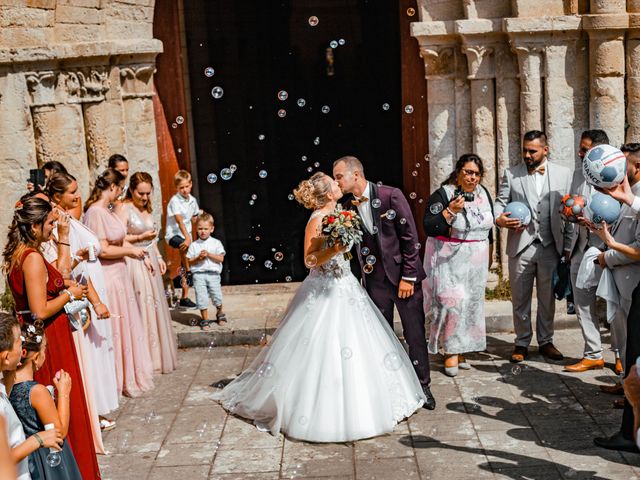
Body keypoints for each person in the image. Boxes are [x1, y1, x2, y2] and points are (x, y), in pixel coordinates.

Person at [214, 173, 426, 442]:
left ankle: (372, 402)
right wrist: (334, 247)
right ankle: (318, 411)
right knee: (323, 348)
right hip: (324, 289)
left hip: (347, 287)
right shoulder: (316, 220)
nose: (340, 184)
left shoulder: (341, 213)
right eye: (334, 183)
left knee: (360, 345)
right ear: (328, 194)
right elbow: (309, 259)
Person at [3, 197, 100, 479]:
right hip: (49, 336)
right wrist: (71, 294)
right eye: (49, 224)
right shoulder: (31, 259)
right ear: (34, 226)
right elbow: (39, 310)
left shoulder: (21, 253)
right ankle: (76, 468)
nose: (53, 228)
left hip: (42, 333)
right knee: (62, 401)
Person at [333, 156, 435, 409]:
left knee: (414, 334)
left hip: (403, 279)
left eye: (339, 176)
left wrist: (408, 277)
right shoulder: (346, 207)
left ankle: (423, 386)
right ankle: (391, 386)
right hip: (374, 283)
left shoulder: (391, 196)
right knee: (382, 336)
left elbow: (410, 239)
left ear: (355, 174)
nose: (337, 181)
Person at [45, 172, 119, 433]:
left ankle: (94, 408)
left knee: (97, 352)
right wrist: (94, 300)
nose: (77, 195)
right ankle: (89, 412)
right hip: (78, 294)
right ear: (56, 196)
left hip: (89, 287)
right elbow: (64, 270)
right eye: (71, 191)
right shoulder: (57, 225)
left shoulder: (70, 218)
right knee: (87, 355)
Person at [494, 130, 572, 363]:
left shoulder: (564, 174)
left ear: (545, 150)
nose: (527, 155)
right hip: (521, 245)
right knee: (520, 297)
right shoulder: (512, 174)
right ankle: (521, 342)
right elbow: (500, 203)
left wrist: (567, 246)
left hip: (551, 245)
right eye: (525, 150)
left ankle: (546, 341)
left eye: (532, 151)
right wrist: (499, 219)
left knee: (547, 299)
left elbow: (569, 212)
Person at [83, 168, 154, 397]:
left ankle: (129, 375)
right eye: (120, 189)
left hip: (120, 272)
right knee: (116, 329)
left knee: (127, 327)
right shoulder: (95, 212)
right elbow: (102, 249)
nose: (120, 194)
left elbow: (119, 239)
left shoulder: (108, 210)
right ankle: (116, 379)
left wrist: (137, 253)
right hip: (109, 275)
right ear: (112, 187)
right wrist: (132, 251)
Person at [422, 154, 494, 376]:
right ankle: (450, 352)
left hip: (476, 262)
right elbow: (429, 226)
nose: (472, 178)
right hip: (449, 259)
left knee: (470, 306)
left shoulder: (484, 194)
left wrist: (490, 255)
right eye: (468, 172)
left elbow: (489, 230)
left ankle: (462, 349)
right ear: (458, 171)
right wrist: (450, 210)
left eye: (476, 174)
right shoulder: (443, 194)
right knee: (451, 304)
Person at [117, 172, 178, 373]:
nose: (144, 198)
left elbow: (152, 240)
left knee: (154, 306)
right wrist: (140, 237)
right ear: (131, 191)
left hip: (150, 258)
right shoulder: (124, 208)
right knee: (142, 305)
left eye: (147, 194)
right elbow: (116, 240)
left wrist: (159, 258)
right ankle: (142, 359)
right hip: (134, 260)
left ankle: (156, 357)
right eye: (140, 193)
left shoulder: (147, 209)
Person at [564, 130, 612, 374]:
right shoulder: (577, 174)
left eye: (584, 150)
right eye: (580, 149)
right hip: (580, 248)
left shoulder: (614, 176)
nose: (579, 153)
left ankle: (620, 354)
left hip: (608, 248)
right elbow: (572, 209)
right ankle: (593, 353)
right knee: (582, 303)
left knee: (614, 304)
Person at [9, 323, 82, 479]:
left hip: (25, 457)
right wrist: (64, 393)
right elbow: (59, 433)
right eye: (44, 349)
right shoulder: (36, 391)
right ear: (35, 357)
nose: (45, 353)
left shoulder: (7, 388)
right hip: (46, 458)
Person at [0, 314, 62, 480]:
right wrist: (38, 439)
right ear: (6, 357)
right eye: (19, 343)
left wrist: (10, 371)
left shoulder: (3, 386)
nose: (23, 350)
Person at [164, 170, 200, 308]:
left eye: (186, 186)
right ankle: (189, 271)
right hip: (174, 235)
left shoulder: (192, 201)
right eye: (181, 188)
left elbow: (194, 219)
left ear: (190, 184)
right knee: (185, 248)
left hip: (187, 237)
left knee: (185, 257)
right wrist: (187, 238)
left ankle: (185, 297)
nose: (184, 190)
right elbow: (179, 221)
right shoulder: (174, 201)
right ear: (177, 188)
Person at [186, 212, 227, 328]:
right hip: (199, 275)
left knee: (217, 295)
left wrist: (209, 254)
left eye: (206, 228)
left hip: (213, 274)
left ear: (212, 229)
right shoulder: (194, 245)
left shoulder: (216, 243)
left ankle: (219, 313)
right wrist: (198, 258)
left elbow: (221, 258)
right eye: (200, 229)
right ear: (196, 229)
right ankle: (205, 319)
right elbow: (189, 261)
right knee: (201, 297)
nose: (203, 231)